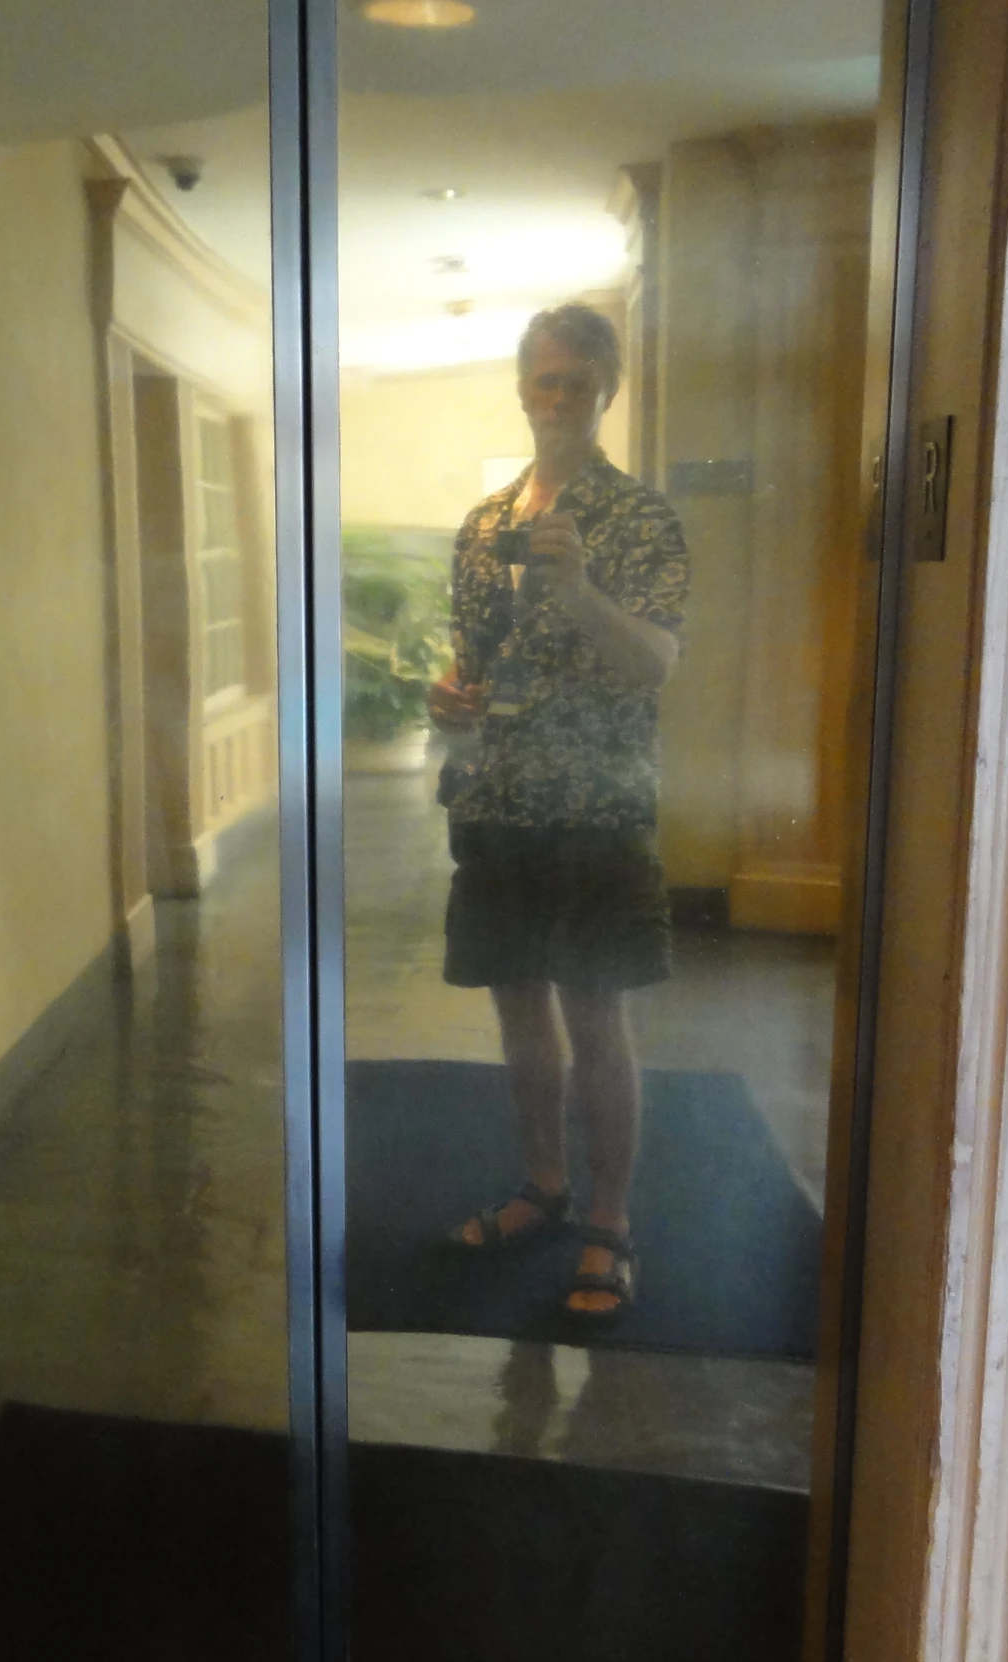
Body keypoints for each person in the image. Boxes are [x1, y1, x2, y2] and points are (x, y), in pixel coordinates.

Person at [426, 302, 688, 1324]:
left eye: (575, 380)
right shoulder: (482, 525)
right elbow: (472, 661)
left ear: (605, 389)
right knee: (518, 1008)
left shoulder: (637, 519)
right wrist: (445, 697)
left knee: (594, 1015)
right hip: (496, 803)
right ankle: (543, 1186)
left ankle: (610, 1223)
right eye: (541, 379)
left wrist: (578, 588)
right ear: (521, 386)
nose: (555, 398)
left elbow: (657, 662)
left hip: (595, 807)